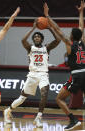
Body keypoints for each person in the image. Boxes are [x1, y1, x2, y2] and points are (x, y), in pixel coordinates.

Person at [4, 20, 61, 127]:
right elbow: (23, 40)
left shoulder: (46, 48)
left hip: (44, 74)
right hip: (32, 75)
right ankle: (8, 110)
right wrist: (33, 28)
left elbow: (58, 40)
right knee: (22, 98)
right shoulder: (30, 47)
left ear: (42, 39)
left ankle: (38, 118)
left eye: (38, 37)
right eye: (35, 37)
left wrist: (49, 28)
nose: (36, 38)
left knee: (44, 93)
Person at [44, 1, 85, 130]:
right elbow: (81, 26)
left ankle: (73, 120)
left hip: (77, 76)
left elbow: (57, 29)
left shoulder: (69, 44)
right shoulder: (83, 42)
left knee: (59, 99)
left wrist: (47, 16)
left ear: (72, 36)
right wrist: (81, 12)